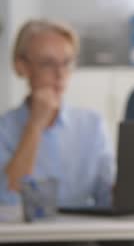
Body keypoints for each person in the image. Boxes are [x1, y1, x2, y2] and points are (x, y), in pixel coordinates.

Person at [0, 19, 115, 208]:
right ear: (22, 66)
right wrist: (35, 126)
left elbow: (109, 199)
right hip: (23, 237)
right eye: (47, 63)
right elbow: (7, 198)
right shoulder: (4, 128)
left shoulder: (92, 124)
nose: (60, 74)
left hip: (85, 234)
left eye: (67, 63)